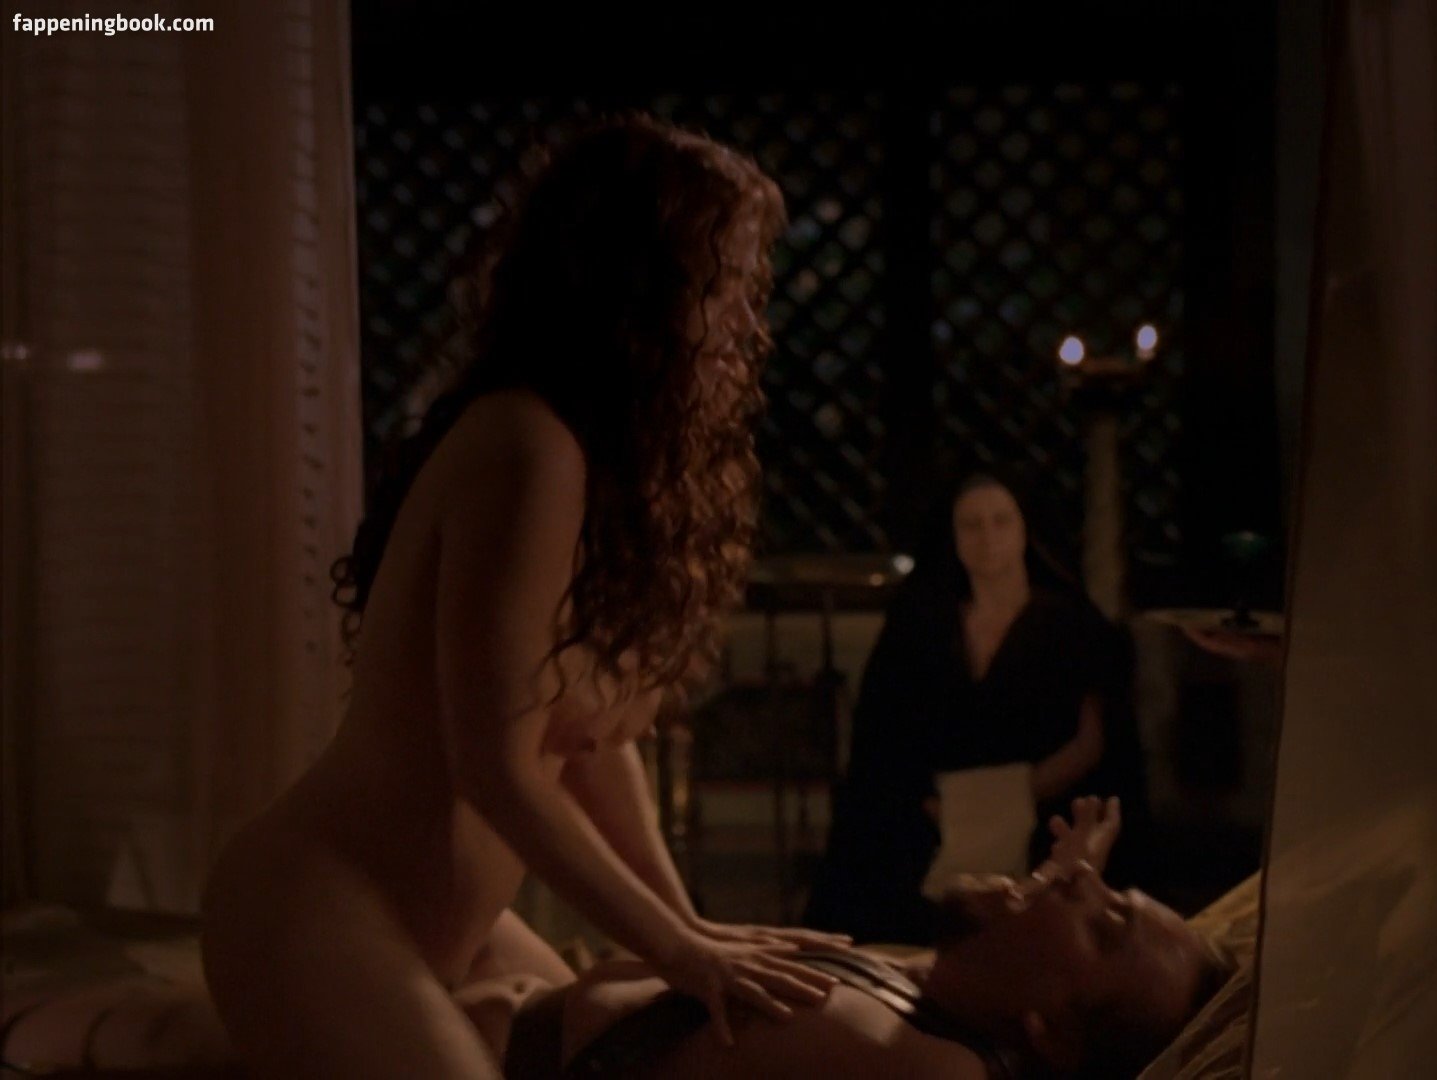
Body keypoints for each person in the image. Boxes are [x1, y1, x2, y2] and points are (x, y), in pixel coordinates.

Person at [199, 114, 847, 1080]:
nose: (743, 327)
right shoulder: (525, 446)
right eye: (722, 287)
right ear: (641, 289)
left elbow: (591, 750)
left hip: (451, 930)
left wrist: (683, 923)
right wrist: (676, 948)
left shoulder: (604, 477)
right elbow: (497, 767)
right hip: (318, 907)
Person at [506, 797, 1233, 1079]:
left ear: (1054, 1034)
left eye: (1105, 926)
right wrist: (1049, 899)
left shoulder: (941, 1072)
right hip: (528, 1002)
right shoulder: (942, 1003)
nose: (1080, 883)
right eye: (1105, 887)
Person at [806, 472, 1148, 943]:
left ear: (1025, 529)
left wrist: (999, 801)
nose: (987, 537)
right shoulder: (919, 624)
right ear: (952, 535)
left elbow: (1096, 746)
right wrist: (935, 806)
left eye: (1001, 521)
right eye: (971, 525)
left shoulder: (1075, 627)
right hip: (923, 824)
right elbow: (883, 734)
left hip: (1046, 825)